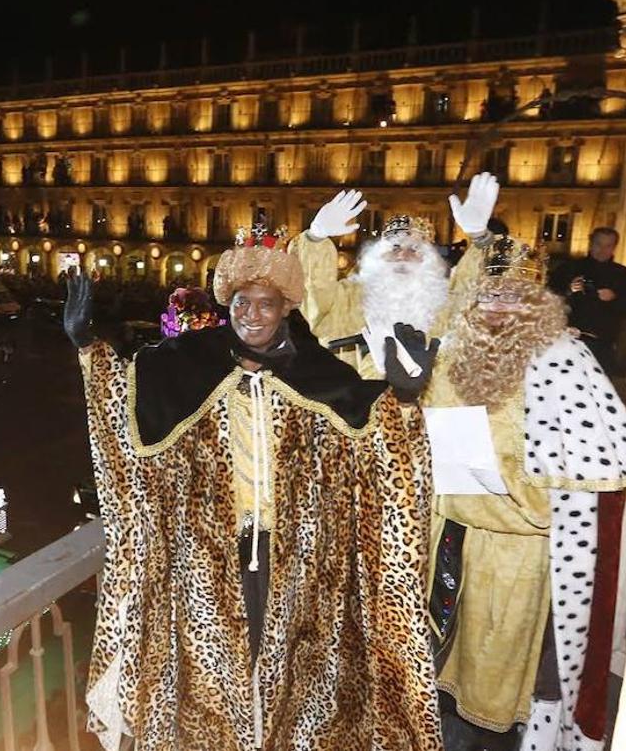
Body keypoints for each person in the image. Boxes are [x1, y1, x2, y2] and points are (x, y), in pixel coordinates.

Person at [65, 224, 443, 750]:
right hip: (207, 561)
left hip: (301, 566)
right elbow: (124, 417)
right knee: (213, 686)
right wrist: (89, 346)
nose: (251, 315)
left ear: (285, 307)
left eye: (265, 304)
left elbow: (379, 450)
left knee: (296, 684)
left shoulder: (319, 373)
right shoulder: (187, 364)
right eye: (242, 303)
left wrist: (403, 398)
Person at [422, 235, 626, 751]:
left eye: (511, 295)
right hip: (447, 538)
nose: (496, 305)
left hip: (517, 548)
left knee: (495, 675)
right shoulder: (451, 351)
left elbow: (570, 486)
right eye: (487, 294)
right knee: (440, 669)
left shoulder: (563, 359)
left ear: (534, 302)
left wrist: (492, 479)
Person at [289, 172, 500, 378]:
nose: (403, 255)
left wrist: (480, 237)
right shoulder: (346, 297)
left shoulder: (447, 301)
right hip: (353, 404)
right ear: (378, 255)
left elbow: (486, 290)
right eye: (395, 247)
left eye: (415, 249)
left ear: (429, 260)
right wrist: (315, 237)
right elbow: (313, 291)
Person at [548, 226, 626, 376]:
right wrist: (568, 290)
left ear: (614, 247)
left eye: (608, 246)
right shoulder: (568, 268)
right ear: (591, 243)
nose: (602, 250)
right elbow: (546, 297)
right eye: (598, 244)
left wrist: (614, 298)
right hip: (565, 341)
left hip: (602, 346)